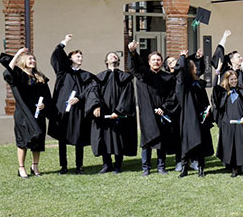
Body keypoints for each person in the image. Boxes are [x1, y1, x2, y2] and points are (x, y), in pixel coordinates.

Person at [0, 48, 52, 178]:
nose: (33, 61)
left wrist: (44, 104)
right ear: (23, 61)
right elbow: (7, 71)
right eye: (30, 59)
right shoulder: (18, 75)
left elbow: (46, 95)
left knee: (38, 139)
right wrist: (18, 54)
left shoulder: (40, 77)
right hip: (23, 113)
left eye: (34, 59)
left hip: (38, 113)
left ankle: (35, 165)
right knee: (23, 141)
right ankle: (21, 168)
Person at [128, 40, 178, 176]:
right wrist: (132, 53)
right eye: (154, 60)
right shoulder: (143, 75)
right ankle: (146, 167)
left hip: (162, 112)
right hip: (147, 113)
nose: (156, 62)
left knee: (162, 139)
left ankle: (161, 166)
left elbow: (172, 96)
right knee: (147, 140)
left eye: (158, 60)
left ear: (162, 63)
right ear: (149, 62)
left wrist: (164, 107)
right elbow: (135, 67)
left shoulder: (167, 77)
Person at [49, 35, 95, 174]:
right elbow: (56, 56)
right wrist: (64, 42)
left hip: (78, 111)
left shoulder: (86, 75)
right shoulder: (63, 72)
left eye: (81, 56)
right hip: (63, 110)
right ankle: (63, 166)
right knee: (62, 139)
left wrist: (80, 98)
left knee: (78, 138)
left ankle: (79, 166)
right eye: (77, 56)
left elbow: (91, 89)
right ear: (70, 59)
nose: (80, 58)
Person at [85, 51, 137, 174]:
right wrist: (96, 106)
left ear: (118, 61)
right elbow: (92, 93)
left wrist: (118, 111)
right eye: (110, 55)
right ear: (106, 61)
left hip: (119, 115)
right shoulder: (99, 78)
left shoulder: (125, 78)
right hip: (104, 114)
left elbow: (127, 96)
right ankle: (107, 164)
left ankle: (118, 165)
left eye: (115, 56)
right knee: (104, 139)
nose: (113, 56)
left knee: (119, 139)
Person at [212, 70, 243, 179]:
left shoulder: (242, 91)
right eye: (231, 79)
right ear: (227, 80)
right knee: (231, 146)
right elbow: (215, 94)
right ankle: (235, 168)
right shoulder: (224, 93)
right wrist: (217, 73)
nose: (234, 81)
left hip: (241, 123)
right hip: (228, 124)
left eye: (235, 79)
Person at [174, 50, 213, 177]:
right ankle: (184, 167)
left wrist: (207, 111)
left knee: (200, 141)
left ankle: (201, 167)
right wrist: (182, 57)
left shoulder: (199, 84)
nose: (196, 68)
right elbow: (179, 72)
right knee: (186, 142)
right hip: (188, 117)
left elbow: (204, 100)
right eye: (194, 66)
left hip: (199, 116)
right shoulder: (184, 85)